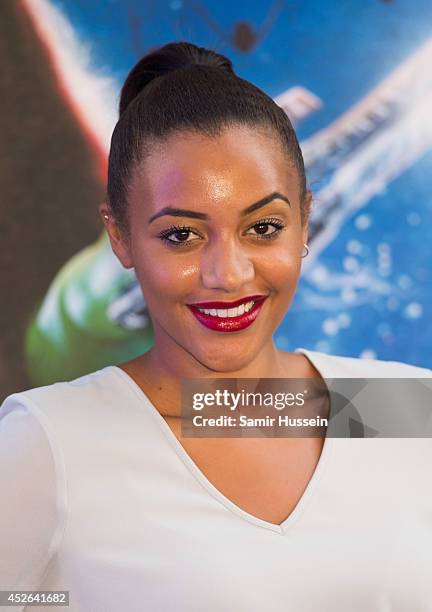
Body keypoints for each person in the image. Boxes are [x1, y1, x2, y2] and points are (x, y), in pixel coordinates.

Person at [1, 41, 431, 612]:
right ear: (121, 237)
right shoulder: (52, 441)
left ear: (305, 222)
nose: (227, 274)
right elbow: (21, 602)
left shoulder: (406, 407)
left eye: (264, 227)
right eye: (181, 234)